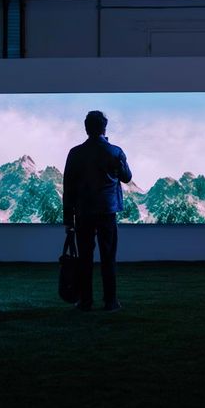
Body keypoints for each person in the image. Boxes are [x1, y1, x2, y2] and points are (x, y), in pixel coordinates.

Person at [62, 111, 132, 312]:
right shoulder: (115, 152)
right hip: (107, 212)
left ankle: (85, 301)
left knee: (85, 258)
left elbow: (69, 187)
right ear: (104, 128)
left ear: (86, 128)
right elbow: (127, 177)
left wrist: (68, 219)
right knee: (108, 257)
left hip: (83, 212)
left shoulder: (75, 153)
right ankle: (110, 302)